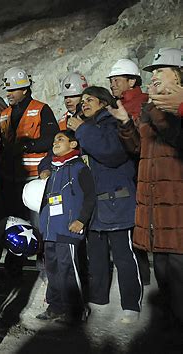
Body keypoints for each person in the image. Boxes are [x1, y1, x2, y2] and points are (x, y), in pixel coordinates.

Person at [112, 47, 183, 327]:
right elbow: (139, 150)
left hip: (177, 206)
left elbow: (176, 141)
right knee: (163, 270)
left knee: (178, 272)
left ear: (178, 76)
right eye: (152, 73)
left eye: (160, 72)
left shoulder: (169, 111)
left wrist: (164, 111)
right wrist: (126, 125)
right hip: (157, 204)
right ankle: (166, 329)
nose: (153, 78)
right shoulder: (152, 109)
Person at [67, 86, 142, 324]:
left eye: (90, 99)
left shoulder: (110, 124)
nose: (85, 103)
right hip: (95, 204)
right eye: (83, 100)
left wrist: (82, 130)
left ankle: (131, 304)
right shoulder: (86, 128)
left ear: (103, 103)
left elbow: (112, 153)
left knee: (123, 254)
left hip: (116, 199)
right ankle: (99, 299)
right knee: (96, 255)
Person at [0, 67, 59, 279]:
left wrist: (27, 146)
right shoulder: (4, 115)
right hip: (11, 180)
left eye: (13, 90)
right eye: (7, 91)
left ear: (24, 89)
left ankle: (46, 274)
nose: (9, 94)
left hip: (34, 180)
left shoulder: (41, 109)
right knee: (14, 226)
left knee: (38, 227)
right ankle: (13, 271)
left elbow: (52, 138)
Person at [36, 130, 95, 323]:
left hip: (68, 228)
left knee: (68, 269)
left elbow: (90, 196)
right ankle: (56, 306)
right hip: (50, 229)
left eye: (60, 139)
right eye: (53, 140)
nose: (55, 143)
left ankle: (76, 310)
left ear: (73, 144)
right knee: (52, 269)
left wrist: (81, 220)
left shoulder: (79, 168)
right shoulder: (52, 169)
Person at [108, 58, 151, 285]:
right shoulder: (117, 104)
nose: (113, 84)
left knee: (136, 227)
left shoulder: (142, 104)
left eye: (117, 79)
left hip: (135, 170)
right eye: (112, 80)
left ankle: (142, 279)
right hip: (124, 172)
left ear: (132, 80)